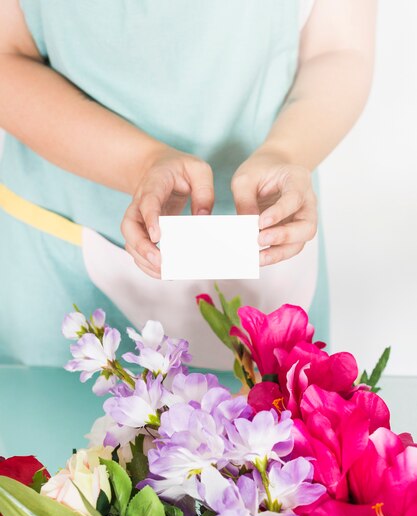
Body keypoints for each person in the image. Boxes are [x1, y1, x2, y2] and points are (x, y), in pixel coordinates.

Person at [0, 0, 376, 370]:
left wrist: (286, 153)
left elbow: (338, 48)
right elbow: (7, 55)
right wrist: (139, 163)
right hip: (57, 247)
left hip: (268, 235)